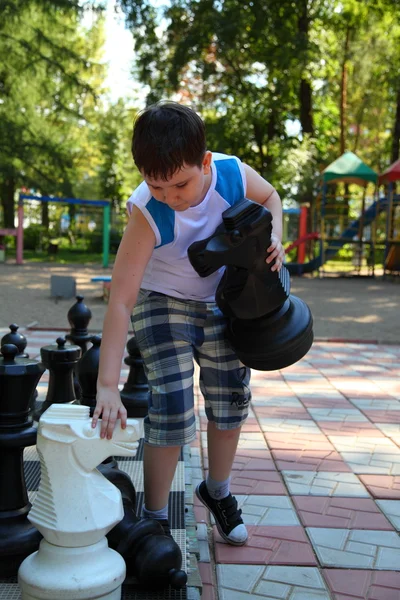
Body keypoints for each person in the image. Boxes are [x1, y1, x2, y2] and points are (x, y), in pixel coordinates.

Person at [92, 101, 284, 545]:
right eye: (155, 185)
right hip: (162, 302)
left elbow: (271, 197)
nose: (170, 197)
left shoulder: (232, 174)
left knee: (230, 397)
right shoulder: (147, 212)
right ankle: (155, 517)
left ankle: (217, 491)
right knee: (174, 407)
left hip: (220, 299)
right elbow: (120, 301)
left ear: (204, 162)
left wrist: (275, 235)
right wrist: (108, 384)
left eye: (179, 184)